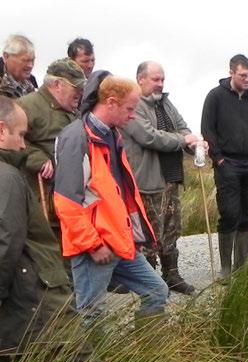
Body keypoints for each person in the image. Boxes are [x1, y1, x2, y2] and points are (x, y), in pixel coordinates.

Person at [0, 96, 109, 362]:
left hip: (22, 306)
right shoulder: (7, 178)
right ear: (1, 130)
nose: (24, 146)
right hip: (37, 301)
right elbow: (6, 243)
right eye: (20, 135)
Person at [54, 73, 169, 325]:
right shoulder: (77, 138)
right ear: (112, 103)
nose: (132, 115)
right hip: (95, 247)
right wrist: (93, 245)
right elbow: (66, 203)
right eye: (129, 109)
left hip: (119, 241)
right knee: (90, 315)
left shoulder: (112, 135)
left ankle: (146, 358)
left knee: (157, 291)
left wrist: (133, 236)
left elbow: (120, 195)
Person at [124, 60, 203, 294]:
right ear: (141, 79)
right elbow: (149, 137)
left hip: (171, 177)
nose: (160, 84)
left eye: (162, 79)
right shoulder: (134, 105)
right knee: (150, 233)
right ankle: (148, 283)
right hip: (148, 181)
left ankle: (172, 275)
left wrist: (195, 143)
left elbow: (183, 128)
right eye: (155, 79)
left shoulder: (167, 104)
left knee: (172, 228)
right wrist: (182, 140)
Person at [201, 54, 248, 277]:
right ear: (231, 72)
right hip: (227, 163)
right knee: (229, 213)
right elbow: (207, 129)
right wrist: (218, 159)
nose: (247, 79)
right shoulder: (215, 97)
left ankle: (241, 267)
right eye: (242, 75)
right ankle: (226, 268)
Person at [18, 59, 86, 224]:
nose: (81, 91)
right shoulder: (26, 106)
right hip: (43, 201)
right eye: (75, 86)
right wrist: (37, 157)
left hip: (72, 200)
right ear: (57, 84)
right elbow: (7, 141)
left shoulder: (74, 112)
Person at [0, 34, 37, 99]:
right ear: (6, 57)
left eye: (32, 60)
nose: (30, 66)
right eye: (25, 60)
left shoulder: (31, 81)